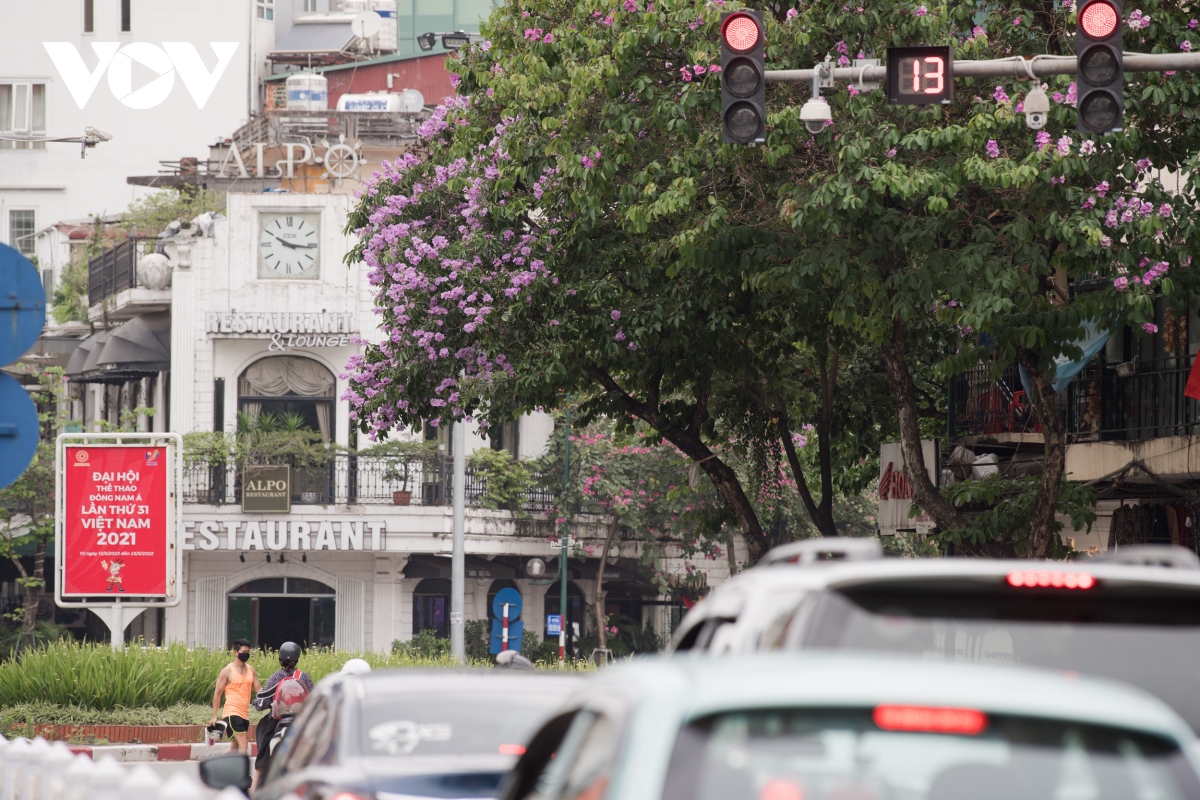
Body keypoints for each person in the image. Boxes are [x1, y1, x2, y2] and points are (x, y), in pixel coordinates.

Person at [253, 641, 314, 787]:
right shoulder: (303, 677)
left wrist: (256, 703)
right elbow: (313, 698)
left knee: (264, 752)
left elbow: (264, 702)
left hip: (277, 721)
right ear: (297, 658)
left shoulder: (276, 677)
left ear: (280, 659)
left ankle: (255, 789)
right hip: (300, 722)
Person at [210, 638, 260, 755]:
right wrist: (214, 716)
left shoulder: (251, 670)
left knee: (234, 749)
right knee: (244, 742)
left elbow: (259, 689)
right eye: (243, 652)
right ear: (235, 652)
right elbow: (217, 694)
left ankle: (216, 763)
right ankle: (242, 773)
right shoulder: (227, 671)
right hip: (232, 713)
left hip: (244, 714)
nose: (246, 654)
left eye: (248, 652)